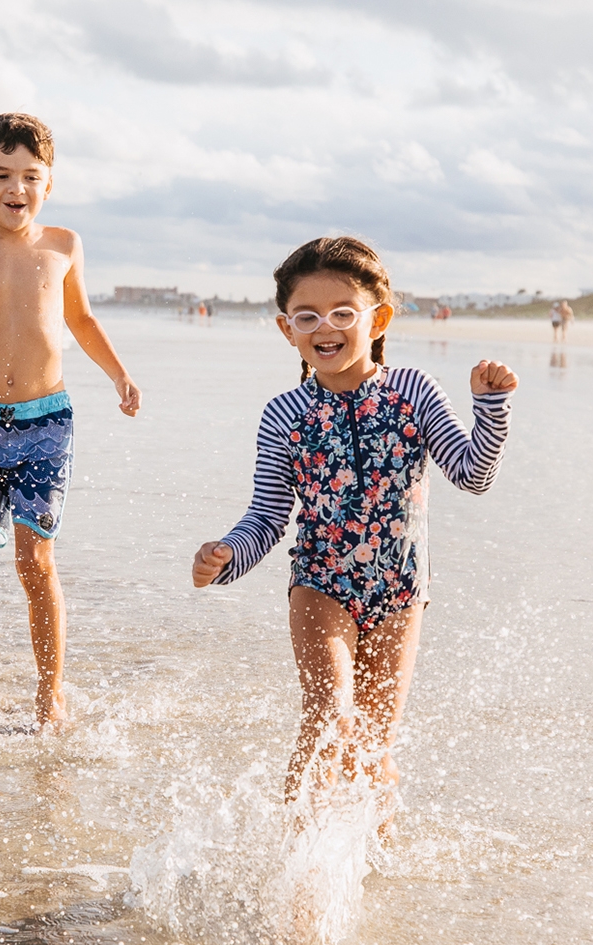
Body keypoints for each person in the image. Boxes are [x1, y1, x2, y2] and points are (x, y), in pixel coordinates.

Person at [190, 236, 516, 823]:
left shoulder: (411, 392)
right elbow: (267, 517)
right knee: (329, 716)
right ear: (287, 328)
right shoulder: (285, 414)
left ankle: (372, 869)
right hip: (320, 586)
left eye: (343, 313)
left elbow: (471, 475)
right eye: (307, 316)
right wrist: (225, 559)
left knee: (372, 746)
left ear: (379, 318)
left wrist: (489, 409)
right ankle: (296, 868)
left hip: (399, 594)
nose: (326, 327)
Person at [0, 112, 141, 730]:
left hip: (47, 423)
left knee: (35, 560)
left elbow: (82, 321)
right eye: (1, 175)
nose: (15, 188)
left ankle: (51, 693)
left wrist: (120, 375)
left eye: (29, 176)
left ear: (49, 183)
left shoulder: (63, 245)